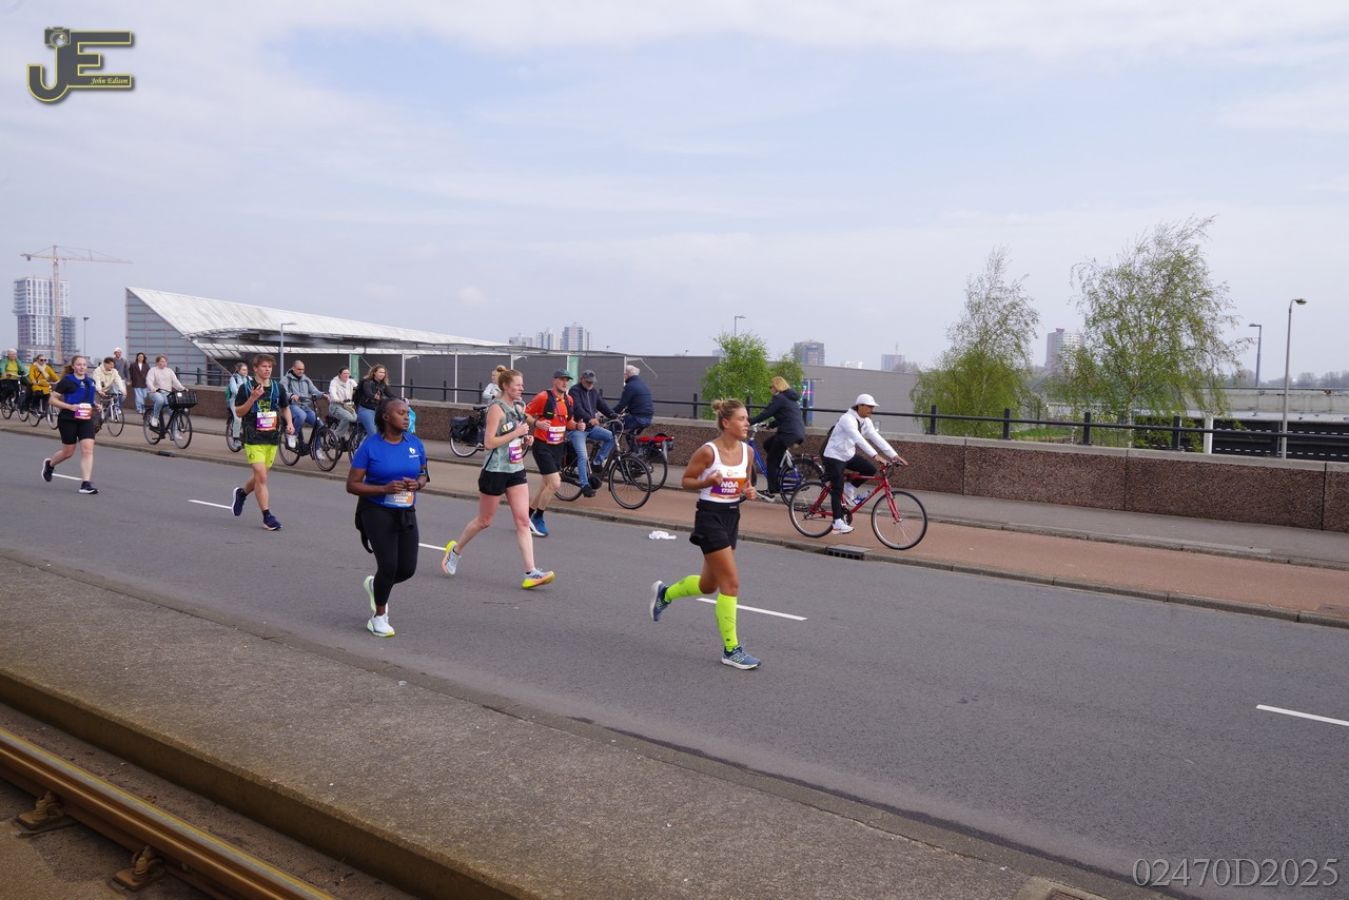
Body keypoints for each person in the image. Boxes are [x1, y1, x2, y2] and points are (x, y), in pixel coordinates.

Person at [649, 399, 761, 670]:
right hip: (709, 517)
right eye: (742, 419)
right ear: (726, 422)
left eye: (747, 419)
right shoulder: (708, 452)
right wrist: (707, 481)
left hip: (732, 517)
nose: (747, 423)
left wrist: (748, 492)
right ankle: (731, 650)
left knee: (708, 585)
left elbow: (745, 483)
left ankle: (665, 594)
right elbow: (686, 481)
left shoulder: (747, 452)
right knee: (731, 583)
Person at [440, 368, 555, 590]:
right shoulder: (496, 409)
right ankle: (455, 551)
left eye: (522, 384)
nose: (522, 388)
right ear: (505, 386)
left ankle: (531, 572)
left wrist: (526, 438)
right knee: (484, 521)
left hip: (515, 469)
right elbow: (489, 443)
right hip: (495, 470)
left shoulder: (519, 408)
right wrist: (516, 434)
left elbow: (517, 434)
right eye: (518, 385)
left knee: (523, 521)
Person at [347, 397, 428, 638]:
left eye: (408, 413)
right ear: (386, 417)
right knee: (389, 566)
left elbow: (424, 474)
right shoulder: (370, 447)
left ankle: (376, 585)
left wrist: (417, 484)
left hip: (406, 510)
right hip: (376, 510)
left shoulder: (415, 443)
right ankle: (379, 617)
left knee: (407, 569)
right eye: (401, 413)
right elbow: (352, 485)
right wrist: (384, 489)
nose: (407, 417)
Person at [821, 393, 907, 535]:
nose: (871, 410)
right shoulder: (847, 419)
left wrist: (894, 455)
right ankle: (837, 522)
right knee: (837, 487)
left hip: (847, 455)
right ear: (859, 406)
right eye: (869, 407)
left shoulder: (865, 421)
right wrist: (875, 455)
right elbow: (858, 439)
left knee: (869, 469)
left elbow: (876, 437)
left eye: (873, 407)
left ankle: (849, 489)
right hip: (834, 455)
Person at [229, 354, 295, 532]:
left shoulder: (278, 387)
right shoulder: (245, 388)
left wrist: (289, 423)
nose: (267, 369)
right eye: (264, 366)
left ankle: (242, 493)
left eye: (270, 367)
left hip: (271, 437)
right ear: (255, 368)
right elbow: (239, 412)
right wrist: (252, 399)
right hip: (253, 437)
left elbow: (285, 407)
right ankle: (267, 516)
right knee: (262, 476)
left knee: (261, 476)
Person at [523, 369, 576, 536]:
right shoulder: (543, 397)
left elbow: (569, 423)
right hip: (542, 446)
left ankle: (527, 516)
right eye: (562, 379)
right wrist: (537, 424)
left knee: (545, 485)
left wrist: (579, 426)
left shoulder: (569, 400)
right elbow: (525, 414)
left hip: (558, 447)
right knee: (555, 483)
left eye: (567, 380)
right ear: (554, 381)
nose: (565, 383)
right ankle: (538, 517)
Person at [41, 355, 102, 495]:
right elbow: (52, 400)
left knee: (87, 450)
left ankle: (86, 484)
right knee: (68, 452)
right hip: (68, 418)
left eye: (84, 365)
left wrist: (95, 405)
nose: (82, 367)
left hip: (86, 419)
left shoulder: (90, 382)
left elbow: (88, 400)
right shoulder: (67, 381)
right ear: (73, 366)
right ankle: (50, 465)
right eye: (79, 364)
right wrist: (70, 406)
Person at [749, 376, 806, 501]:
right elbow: (784, 416)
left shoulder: (779, 398)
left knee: (771, 459)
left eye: (771, 386)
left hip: (788, 434)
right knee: (767, 444)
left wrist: (749, 421)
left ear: (776, 386)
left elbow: (767, 413)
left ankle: (771, 491)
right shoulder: (789, 398)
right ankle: (781, 468)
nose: (770, 389)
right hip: (796, 432)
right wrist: (770, 425)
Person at [567, 369, 617, 498]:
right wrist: (589, 418)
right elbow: (577, 408)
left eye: (592, 382)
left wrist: (614, 415)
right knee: (583, 456)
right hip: (577, 429)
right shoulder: (574, 391)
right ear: (582, 379)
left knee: (611, 437)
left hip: (590, 428)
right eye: (588, 382)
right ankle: (585, 486)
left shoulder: (593, 392)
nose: (590, 384)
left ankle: (597, 462)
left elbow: (602, 405)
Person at [283, 359, 322, 451]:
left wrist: (323, 394)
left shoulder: (306, 380)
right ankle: (292, 435)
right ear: (293, 368)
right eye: (299, 369)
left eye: (303, 369)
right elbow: (283, 392)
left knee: (320, 425)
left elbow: (314, 391)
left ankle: (317, 450)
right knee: (301, 415)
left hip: (305, 407)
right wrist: (291, 395)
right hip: (292, 406)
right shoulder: (286, 379)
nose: (301, 371)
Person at [614, 364, 654, 447]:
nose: (624, 376)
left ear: (627, 374)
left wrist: (609, 413)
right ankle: (635, 453)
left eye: (624, 374)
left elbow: (621, 405)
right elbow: (639, 403)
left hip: (637, 418)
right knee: (630, 435)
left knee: (613, 425)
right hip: (648, 418)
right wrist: (627, 410)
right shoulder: (644, 385)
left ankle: (610, 450)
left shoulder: (630, 386)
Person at [145, 355, 187, 431]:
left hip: (167, 394)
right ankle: (155, 418)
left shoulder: (169, 371)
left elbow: (175, 382)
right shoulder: (153, 370)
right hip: (155, 392)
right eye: (162, 361)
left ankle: (174, 432)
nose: (164, 363)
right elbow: (149, 381)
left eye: (165, 361)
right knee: (160, 400)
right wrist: (152, 388)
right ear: (157, 362)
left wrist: (182, 388)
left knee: (174, 412)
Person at [356, 364, 396, 440]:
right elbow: (368, 393)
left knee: (382, 432)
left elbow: (390, 395)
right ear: (374, 372)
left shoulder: (382, 384)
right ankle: (362, 447)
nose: (382, 374)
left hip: (377, 410)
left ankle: (367, 444)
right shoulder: (367, 382)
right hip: (365, 409)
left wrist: (401, 400)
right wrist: (375, 396)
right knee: (373, 434)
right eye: (380, 372)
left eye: (384, 372)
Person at [327, 366, 358, 438]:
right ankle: (336, 435)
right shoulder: (334, 382)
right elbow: (332, 392)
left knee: (357, 419)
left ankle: (352, 439)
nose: (346, 375)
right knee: (348, 418)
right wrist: (337, 399)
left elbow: (358, 390)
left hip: (348, 407)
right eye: (344, 373)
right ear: (340, 374)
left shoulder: (351, 382)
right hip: (336, 406)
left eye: (348, 373)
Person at [226, 362, 250, 440]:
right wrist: (243, 394)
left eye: (246, 370)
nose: (245, 371)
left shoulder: (249, 378)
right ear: (238, 370)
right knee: (238, 419)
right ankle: (236, 438)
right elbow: (234, 390)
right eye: (243, 370)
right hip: (235, 402)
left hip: (246, 401)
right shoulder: (234, 378)